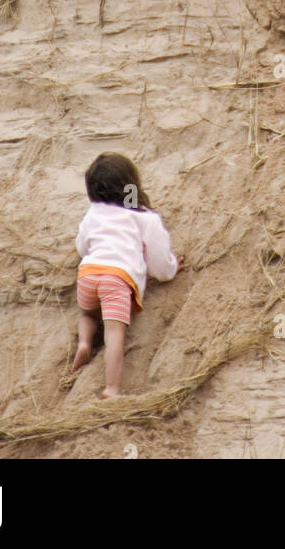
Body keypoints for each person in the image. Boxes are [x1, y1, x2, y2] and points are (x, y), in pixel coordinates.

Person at [71, 152, 182, 398]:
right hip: (118, 278)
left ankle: (85, 343)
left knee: (88, 313)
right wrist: (173, 265)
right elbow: (160, 268)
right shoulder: (145, 219)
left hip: (89, 273)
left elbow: (82, 246)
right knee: (114, 334)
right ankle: (112, 388)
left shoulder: (93, 213)